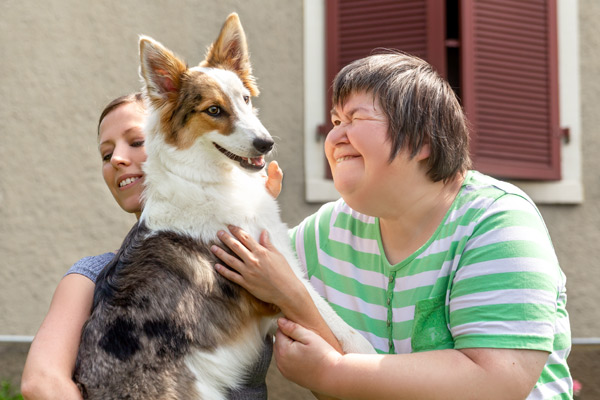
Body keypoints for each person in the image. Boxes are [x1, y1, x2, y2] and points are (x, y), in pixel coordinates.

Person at [210, 52, 573, 399]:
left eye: (355, 119)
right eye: (336, 122)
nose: (335, 137)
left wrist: (333, 371)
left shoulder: (496, 221)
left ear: (423, 137)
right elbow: (229, 270)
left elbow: (497, 381)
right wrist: (251, 212)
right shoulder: (326, 232)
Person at [21, 93, 283, 400]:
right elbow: (41, 381)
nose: (117, 159)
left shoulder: (247, 255)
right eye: (106, 155)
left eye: (136, 141)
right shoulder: (91, 277)